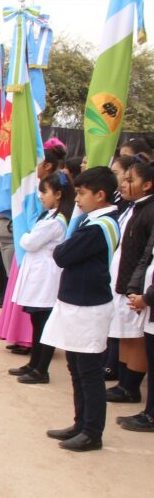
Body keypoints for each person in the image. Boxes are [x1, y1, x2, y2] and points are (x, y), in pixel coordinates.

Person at [42, 167, 121, 452]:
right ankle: (80, 423)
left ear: (100, 195)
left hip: (89, 307)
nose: (77, 199)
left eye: (82, 193)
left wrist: (62, 249)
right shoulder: (92, 222)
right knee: (75, 367)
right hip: (77, 303)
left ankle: (92, 432)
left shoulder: (99, 227)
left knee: (89, 371)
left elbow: (62, 255)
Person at [8, 173, 74, 384]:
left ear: (58, 194)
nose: (40, 196)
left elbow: (30, 242)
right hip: (39, 275)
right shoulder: (49, 216)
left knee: (44, 324)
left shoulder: (56, 221)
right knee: (37, 322)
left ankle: (41, 369)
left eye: (44, 192)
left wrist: (23, 234)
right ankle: (33, 363)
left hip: (46, 278)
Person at [106, 160, 154, 403]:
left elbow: (146, 254)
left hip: (137, 288)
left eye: (130, 180)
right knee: (124, 333)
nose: (123, 184)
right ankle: (123, 382)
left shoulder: (150, 211)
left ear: (147, 185)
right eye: (124, 179)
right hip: (124, 283)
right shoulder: (134, 207)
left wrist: (136, 288)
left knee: (135, 337)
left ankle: (131, 387)